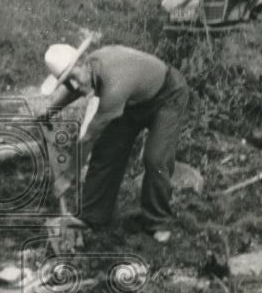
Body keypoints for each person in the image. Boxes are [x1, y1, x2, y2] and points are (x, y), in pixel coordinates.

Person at [38, 43, 190, 244]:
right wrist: (49, 112)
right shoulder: (89, 71)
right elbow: (78, 88)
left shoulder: (114, 82)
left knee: (156, 159)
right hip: (133, 100)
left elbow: (90, 135)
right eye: (67, 82)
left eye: (73, 77)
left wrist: (68, 176)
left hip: (167, 96)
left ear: (84, 63)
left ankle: (158, 221)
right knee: (106, 151)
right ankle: (93, 216)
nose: (73, 85)